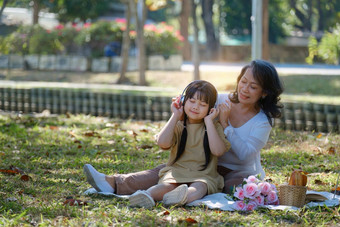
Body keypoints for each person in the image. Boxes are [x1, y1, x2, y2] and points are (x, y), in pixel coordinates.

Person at [83, 59, 284, 196]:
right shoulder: (220, 100)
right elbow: (196, 105)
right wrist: (182, 105)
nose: (244, 89)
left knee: (238, 187)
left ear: (264, 92)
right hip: (202, 160)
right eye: (243, 81)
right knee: (166, 170)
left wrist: (225, 124)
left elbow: (244, 155)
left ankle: (187, 192)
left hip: (236, 172)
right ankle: (112, 183)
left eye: (253, 86)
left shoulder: (262, 121)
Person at [125, 80, 230, 208]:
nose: (196, 107)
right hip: (177, 172)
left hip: (204, 175)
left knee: (200, 186)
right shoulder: (178, 125)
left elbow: (218, 151)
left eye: (202, 104)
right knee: (167, 186)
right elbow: (162, 143)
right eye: (192, 101)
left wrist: (209, 121)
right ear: (183, 101)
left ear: (211, 108)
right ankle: (146, 195)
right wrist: (175, 115)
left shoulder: (213, 127)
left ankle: (181, 197)